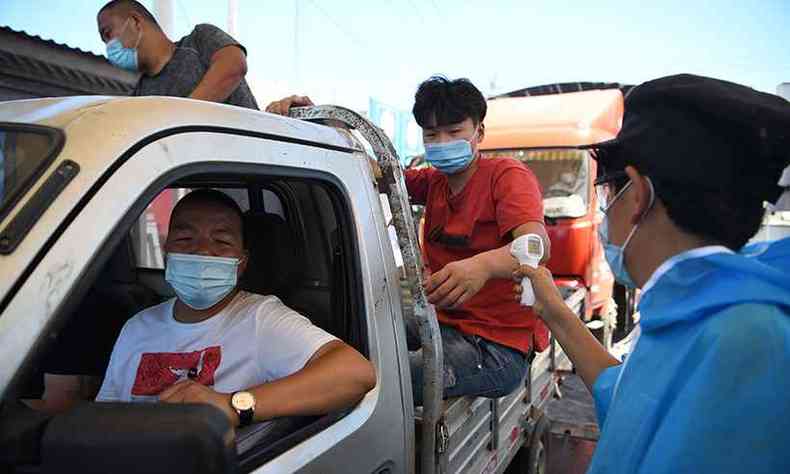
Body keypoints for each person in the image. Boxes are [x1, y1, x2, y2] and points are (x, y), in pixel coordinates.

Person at [513, 74, 790, 473]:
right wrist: (551, 308)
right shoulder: (700, 313)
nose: (605, 215)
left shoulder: (747, 340)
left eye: (609, 195)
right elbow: (626, 396)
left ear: (639, 195)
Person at [96, 189, 375, 427]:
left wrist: (233, 406)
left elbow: (354, 373)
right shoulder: (137, 327)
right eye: (185, 239)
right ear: (167, 251)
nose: (203, 251)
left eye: (222, 241)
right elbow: (105, 419)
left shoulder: (260, 318)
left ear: (241, 263)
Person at [403, 76, 551, 404]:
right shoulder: (434, 183)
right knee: (365, 331)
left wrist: (483, 266)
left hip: (498, 346)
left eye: (454, 131)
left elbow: (536, 247)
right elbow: (378, 170)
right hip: (441, 322)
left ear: (479, 132)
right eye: (431, 134)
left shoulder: (507, 176)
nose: (442, 142)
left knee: (394, 376)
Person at [97, 0, 258, 109]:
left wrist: (180, 116)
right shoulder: (139, 95)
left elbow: (233, 65)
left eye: (108, 33)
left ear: (135, 21)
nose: (108, 46)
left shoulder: (199, 39)